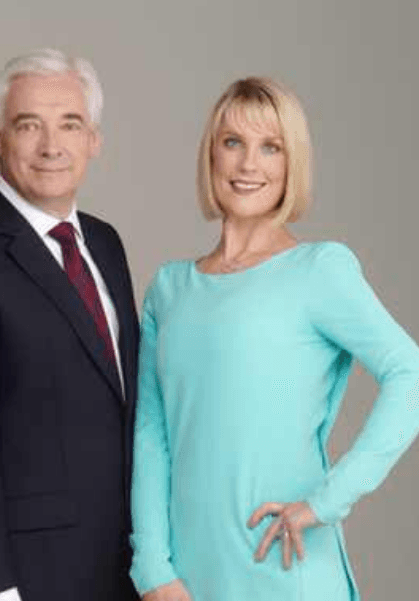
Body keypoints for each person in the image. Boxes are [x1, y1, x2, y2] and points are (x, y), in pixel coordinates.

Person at [129, 76, 419, 601]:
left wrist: (327, 501)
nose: (248, 165)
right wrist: (153, 568)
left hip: (285, 567)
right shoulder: (169, 289)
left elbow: (411, 375)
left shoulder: (319, 270)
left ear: (292, 164)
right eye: (233, 142)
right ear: (210, 154)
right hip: (187, 579)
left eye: (271, 147)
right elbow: (152, 436)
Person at [0, 48, 140, 601]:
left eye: (70, 124)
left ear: (94, 140)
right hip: (20, 579)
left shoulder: (105, 245)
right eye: (28, 125)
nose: (51, 146)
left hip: (117, 570)